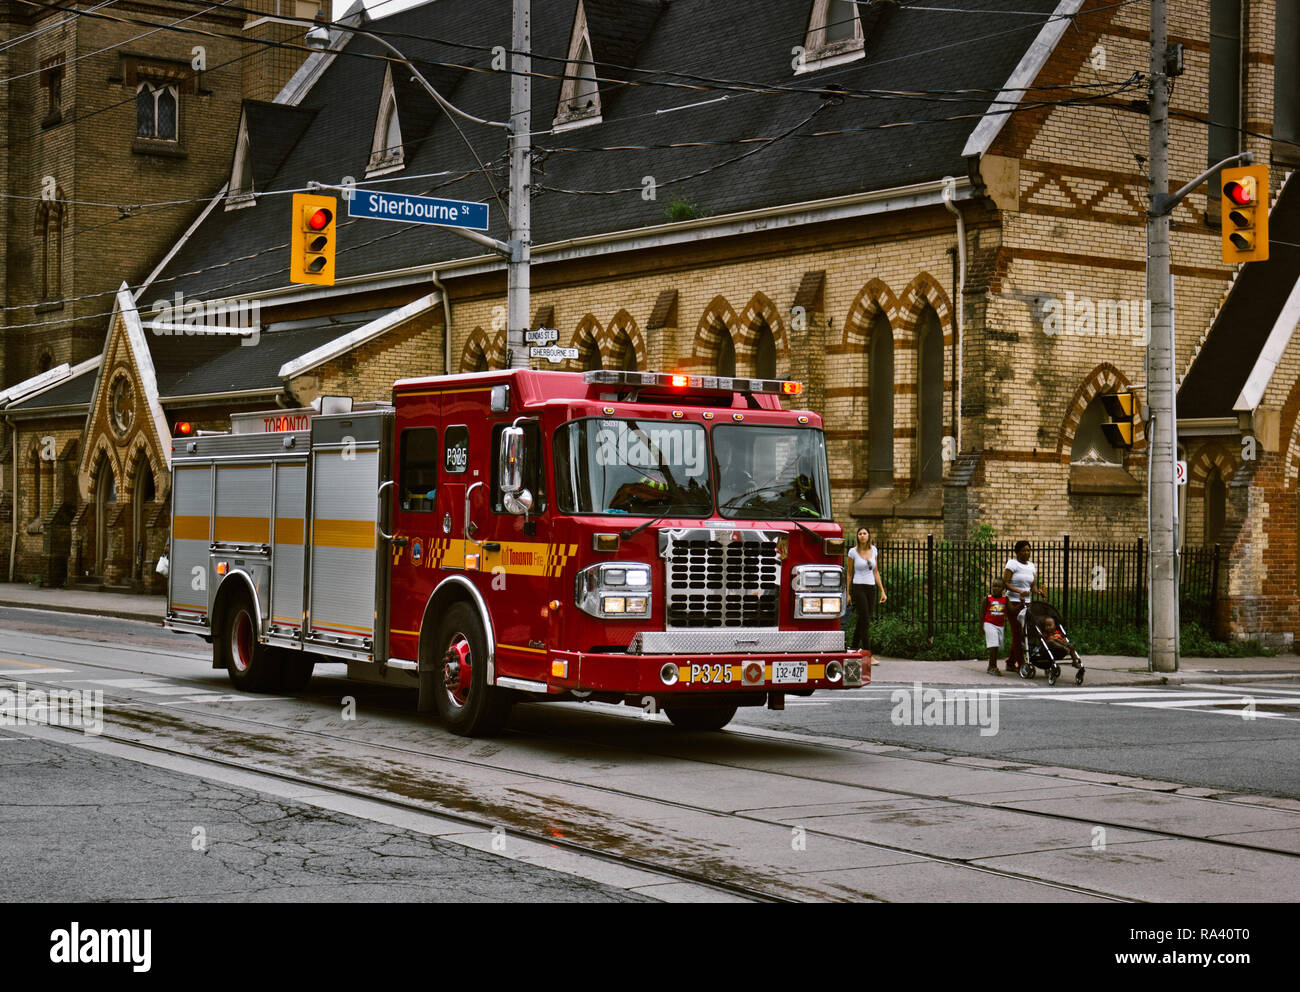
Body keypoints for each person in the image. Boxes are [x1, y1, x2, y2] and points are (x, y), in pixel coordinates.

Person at [1002, 540, 1045, 672]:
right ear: (1017, 552)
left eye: (1028, 550)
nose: (1026, 553)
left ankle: (1010, 662)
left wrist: (1038, 591)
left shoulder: (1031, 566)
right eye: (1024, 550)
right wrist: (1019, 591)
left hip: (1027, 603)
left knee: (1024, 633)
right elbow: (1005, 583)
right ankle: (1021, 663)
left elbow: (1032, 586)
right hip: (1013, 602)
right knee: (1017, 633)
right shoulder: (1012, 563)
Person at [846, 527, 887, 661]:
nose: (862, 536)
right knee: (865, 620)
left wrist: (882, 591)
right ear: (857, 536)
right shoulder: (852, 552)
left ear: (869, 536)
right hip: (858, 587)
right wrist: (848, 593)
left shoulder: (874, 550)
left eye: (865, 533)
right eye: (860, 534)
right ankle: (867, 655)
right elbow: (849, 573)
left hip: (871, 587)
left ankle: (853, 648)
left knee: (863, 619)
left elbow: (875, 572)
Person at [979, 578, 1008, 676]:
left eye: (998, 586)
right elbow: (982, 614)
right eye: (994, 586)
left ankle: (992, 666)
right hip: (989, 624)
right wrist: (980, 628)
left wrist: (1021, 601)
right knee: (993, 645)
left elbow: (1011, 610)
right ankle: (992, 666)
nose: (995, 588)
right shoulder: (987, 599)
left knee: (997, 646)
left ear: (1003, 588)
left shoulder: (1005, 599)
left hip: (1000, 626)